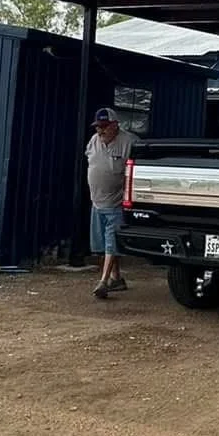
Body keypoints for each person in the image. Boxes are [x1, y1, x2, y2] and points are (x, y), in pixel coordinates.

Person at [85, 108, 130, 301]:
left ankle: (103, 283)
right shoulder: (94, 141)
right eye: (98, 127)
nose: (100, 131)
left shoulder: (129, 142)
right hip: (97, 203)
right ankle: (116, 278)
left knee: (111, 243)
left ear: (115, 125)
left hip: (116, 203)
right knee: (104, 244)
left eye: (104, 127)